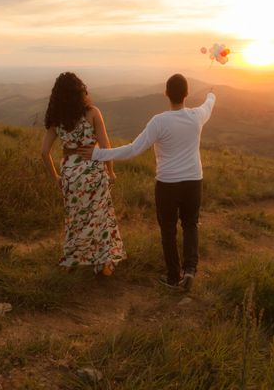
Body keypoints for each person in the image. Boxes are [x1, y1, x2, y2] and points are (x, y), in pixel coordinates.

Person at [74, 74, 215, 291]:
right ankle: (190, 271)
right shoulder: (197, 116)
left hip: (168, 184)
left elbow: (132, 150)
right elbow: (208, 105)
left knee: (168, 230)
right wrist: (211, 94)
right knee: (190, 225)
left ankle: (172, 276)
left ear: (166, 93)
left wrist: (96, 154)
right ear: (186, 94)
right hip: (194, 181)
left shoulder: (159, 121)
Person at [40, 72, 126, 275]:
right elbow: (105, 148)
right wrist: (111, 172)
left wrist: (57, 178)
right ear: (81, 91)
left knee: (75, 220)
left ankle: (72, 261)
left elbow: (44, 153)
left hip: (71, 175)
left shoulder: (56, 119)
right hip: (94, 172)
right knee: (100, 218)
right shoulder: (93, 112)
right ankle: (103, 264)